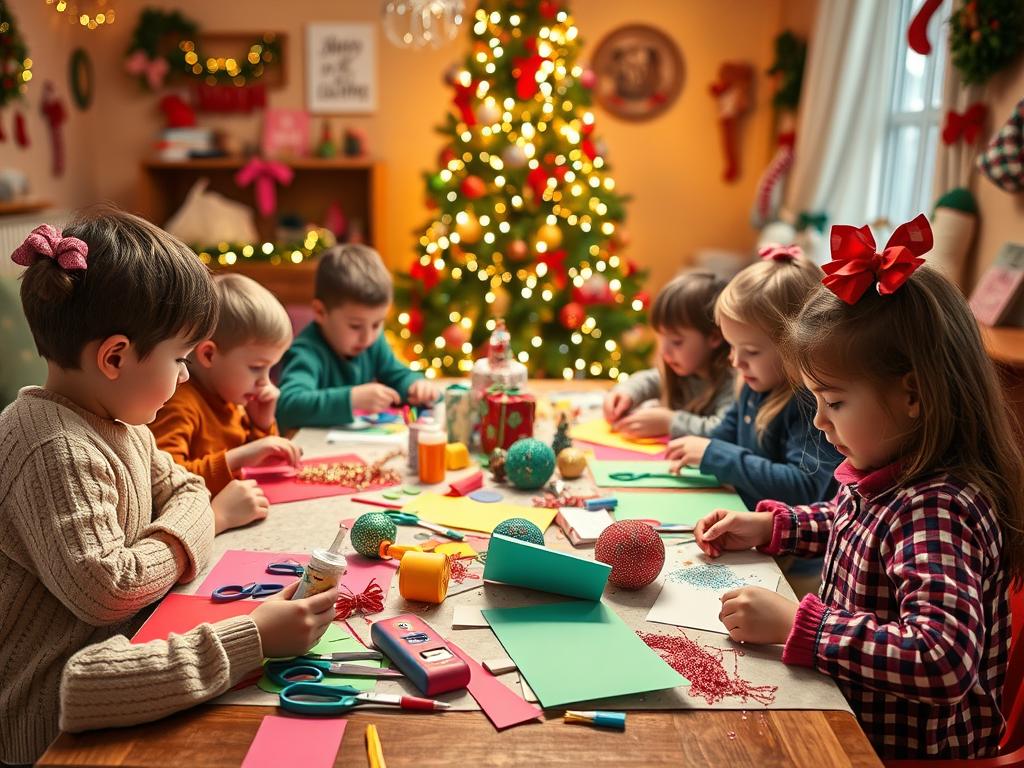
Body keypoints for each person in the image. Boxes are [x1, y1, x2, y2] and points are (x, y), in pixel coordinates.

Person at [695, 216, 1024, 759]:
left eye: (836, 402)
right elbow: (855, 526)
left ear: (912, 395)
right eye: (815, 402)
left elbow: (941, 659)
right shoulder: (891, 473)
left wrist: (802, 625)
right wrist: (775, 526)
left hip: (903, 753)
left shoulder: (938, 510)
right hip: (849, 712)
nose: (821, 423)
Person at [667, 245, 841, 508]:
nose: (736, 362)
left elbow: (805, 488)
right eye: (732, 347)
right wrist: (696, 445)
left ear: (796, 348)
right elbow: (725, 434)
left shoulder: (810, 404)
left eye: (750, 351)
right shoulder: (754, 385)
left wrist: (715, 455)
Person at [150, 273, 301, 527]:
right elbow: (165, 482)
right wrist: (239, 457)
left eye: (271, 369)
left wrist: (263, 424)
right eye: (256, 367)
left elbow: (258, 469)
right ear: (209, 354)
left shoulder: (230, 396)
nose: (265, 381)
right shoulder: (180, 404)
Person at [276, 244, 440, 431]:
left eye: (377, 324)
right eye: (355, 326)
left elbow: (397, 375)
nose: (367, 337)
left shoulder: (373, 343)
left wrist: (415, 385)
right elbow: (287, 407)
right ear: (320, 312)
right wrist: (352, 399)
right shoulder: (306, 351)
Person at [604, 271, 735, 439]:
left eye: (676, 341)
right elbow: (652, 379)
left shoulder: (732, 381)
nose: (664, 352)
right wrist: (626, 392)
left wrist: (669, 422)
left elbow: (723, 431)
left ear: (714, 337)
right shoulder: (685, 368)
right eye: (660, 338)